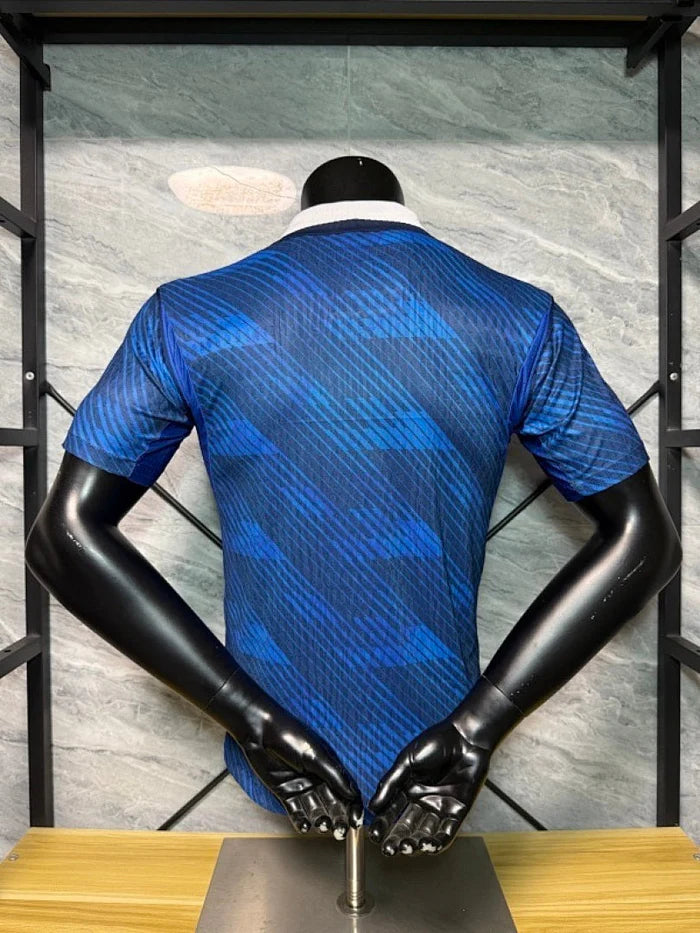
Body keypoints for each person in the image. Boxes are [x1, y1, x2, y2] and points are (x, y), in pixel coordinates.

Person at [25, 155, 682, 858]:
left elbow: (64, 538)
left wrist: (247, 715)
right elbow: (645, 538)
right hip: (441, 732)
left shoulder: (192, 316)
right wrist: (478, 726)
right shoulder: (517, 318)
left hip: (279, 730)